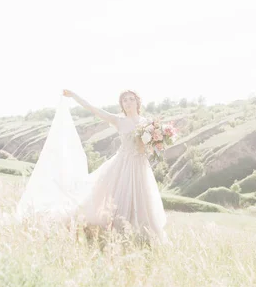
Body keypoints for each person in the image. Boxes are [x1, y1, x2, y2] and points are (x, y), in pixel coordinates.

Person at [16, 89, 167, 243]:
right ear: (122, 105)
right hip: (122, 165)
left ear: (137, 102)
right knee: (114, 198)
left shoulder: (148, 123)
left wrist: (155, 142)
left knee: (142, 200)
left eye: (131, 99)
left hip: (140, 166)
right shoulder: (119, 121)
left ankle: (143, 236)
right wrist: (74, 96)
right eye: (125, 100)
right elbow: (94, 109)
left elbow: (152, 147)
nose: (128, 102)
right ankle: (115, 232)